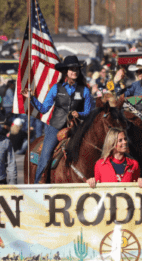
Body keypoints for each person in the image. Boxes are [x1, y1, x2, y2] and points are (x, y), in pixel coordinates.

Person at [89, 128, 142, 261]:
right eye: (121, 140)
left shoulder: (133, 164)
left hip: (127, 220)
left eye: (125, 139)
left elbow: (138, 186)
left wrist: (141, 182)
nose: (125, 142)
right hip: (106, 221)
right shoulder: (100, 164)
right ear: (113, 143)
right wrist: (91, 181)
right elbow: (95, 190)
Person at [28, 55, 93, 184]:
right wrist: (31, 98)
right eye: (71, 69)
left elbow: (88, 112)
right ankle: (38, 184)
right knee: (46, 155)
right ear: (65, 72)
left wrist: (79, 114)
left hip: (76, 128)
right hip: (55, 128)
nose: (74, 71)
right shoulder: (56, 88)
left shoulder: (85, 90)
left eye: (76, 69)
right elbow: (43, 109)